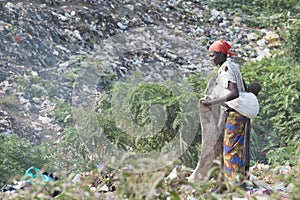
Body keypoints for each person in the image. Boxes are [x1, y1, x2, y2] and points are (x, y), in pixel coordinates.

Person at [193, 40, 247, 185]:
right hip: (241, 112)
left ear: (221, 54)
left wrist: (212, 103)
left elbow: (234, 93)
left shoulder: (226, 70)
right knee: (237, 148)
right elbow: (244, 88)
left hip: (235, 113)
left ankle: (233, 185)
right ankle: (236, 181)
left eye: (212, 56)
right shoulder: (232, 66)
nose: (211, 59)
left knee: (229, 150)